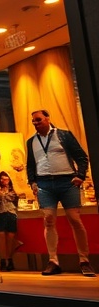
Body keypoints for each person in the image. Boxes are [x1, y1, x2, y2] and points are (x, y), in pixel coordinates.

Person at [25, 109, 94, 277]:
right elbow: (30, 164)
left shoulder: (63, 135)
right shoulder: (31, 141)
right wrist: (33, 182)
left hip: (67, 182)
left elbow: (82, 157)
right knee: (48, 220)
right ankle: (53, 260)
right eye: (33, 121)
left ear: (48, 118)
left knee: (75, 219)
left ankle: (84, 260)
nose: (36, 123)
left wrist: (80, 175)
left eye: (39, 119)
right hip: (44, 184)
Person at [0, 171, 19, 271]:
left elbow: (14, 198)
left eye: (6, 179)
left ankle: (9, 260)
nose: (4, 181)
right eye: (2, 179)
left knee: (11, 238)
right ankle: (2, 260)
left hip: (11, 213)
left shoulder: (13, 190)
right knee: (0, 238)